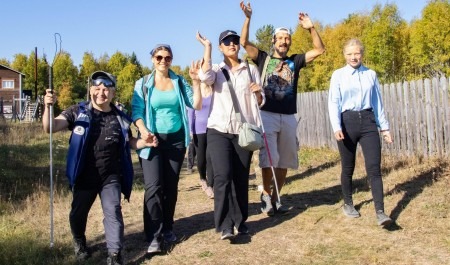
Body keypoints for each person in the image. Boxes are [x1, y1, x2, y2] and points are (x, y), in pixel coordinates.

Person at [42, 71, 157, 265]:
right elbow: (50, 127)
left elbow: (130, 142)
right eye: (97, 88)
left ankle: (114, 255)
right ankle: (79, 242)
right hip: (84, 174)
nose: (101, 92)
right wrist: (47, 106)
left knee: (113, 211)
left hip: (110, 175)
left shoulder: (119, 117)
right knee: (78, 213)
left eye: (106, 89)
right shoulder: (77, 111)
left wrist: (145, 143)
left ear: (112, 93)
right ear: (90, 90)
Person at [240, 1, 325, 216]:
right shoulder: (263, 58)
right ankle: (267, 195)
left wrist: (311, 27)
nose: (284, 42)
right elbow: (243, 42)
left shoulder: (295, 61)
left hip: (288, 116)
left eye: (287, 39)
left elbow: (319, 50)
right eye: (280, 38)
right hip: (266, 114)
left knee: (285, 159)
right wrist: (248, 18)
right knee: (269, 159)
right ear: (274, 41)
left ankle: (277, 198)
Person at [131, 44, 202, 253]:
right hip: (152, 139)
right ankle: (154, 233)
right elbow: (137, 111)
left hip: (176, 140)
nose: (163, 61)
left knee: (170, 187)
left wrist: (196, 82)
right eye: (159, 57)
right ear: (153, 59)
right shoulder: (143, 83)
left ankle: (168, 227)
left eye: (167, 58)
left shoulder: (179, 81)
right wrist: (144, 131)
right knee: (153, 186)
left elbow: (196, 104)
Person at [196, 30, 264, 240]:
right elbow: (203, 76)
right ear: (221, 47)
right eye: (227, 42)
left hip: (242, 132)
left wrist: (259, 93)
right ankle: (225, 225)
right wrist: (206, 48)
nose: (232, 44)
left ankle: (240, 221)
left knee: (241, 178)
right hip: (218, 130)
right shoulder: (216, 70)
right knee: (223, 177)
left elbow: (260, 103)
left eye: (235, 41)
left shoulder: (250, 70)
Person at [328, 39, 393, 226]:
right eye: (349, 54)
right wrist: (336, 126)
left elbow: (377, 102)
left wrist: (385, 127)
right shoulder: (338, 75)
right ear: (344, 55)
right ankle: (348, 203)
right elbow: (333, 102)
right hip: (346, 123)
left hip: (368, 122)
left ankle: (381, 212)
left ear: (362, 54)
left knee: (374, 167)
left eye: (356, 53)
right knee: (348, 167)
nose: (353, 57)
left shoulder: (370, 74)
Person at [187, 82, 214, 198]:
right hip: (199, 131)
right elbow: (190, 113)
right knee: (202, 158)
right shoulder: (195, 92)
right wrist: (191, 131)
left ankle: (212, 185)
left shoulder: (214, 91)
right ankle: (203, 178)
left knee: (211, 157)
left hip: (213, 129)